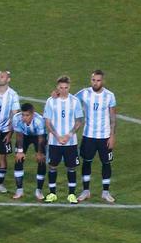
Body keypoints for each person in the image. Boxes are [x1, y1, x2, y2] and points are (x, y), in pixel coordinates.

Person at [76, 70, 117, 203]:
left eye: (98, 80)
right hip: (88, 135)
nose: (95, 82)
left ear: (102, 81)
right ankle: (86, 191)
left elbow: (113, 117)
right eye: (93, 80)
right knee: (86, 162)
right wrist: (57, 93)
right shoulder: (84, 93)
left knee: (106, 163)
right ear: (91, 80)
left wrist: (112, 136)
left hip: (104, 136)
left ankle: (105, 192)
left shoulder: (109, 96)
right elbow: (69, 99)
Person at [43, 76, 84, 204]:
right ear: (57, 87)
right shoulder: (51, 101)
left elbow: (79, 121)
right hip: (54, 141)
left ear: (69, 87)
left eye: (66, 88)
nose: (64, 90)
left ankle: (71, 194)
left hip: (70, 142)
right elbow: (47, 122)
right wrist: (57, 136)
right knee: (52, 166)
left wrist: (69, 135)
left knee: (71, 168)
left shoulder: (75, 101)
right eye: (61, 88)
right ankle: (52, 193)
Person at [10, 103, 47, 200]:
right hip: (24, 136)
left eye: (27, 115)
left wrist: (39, 152)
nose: (24, 117)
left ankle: (39, 190)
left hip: (37, 137)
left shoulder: (39, 121)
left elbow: (41, 138)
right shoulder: (16, 118)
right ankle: (19, 190)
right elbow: (19, 135)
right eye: (23, 114)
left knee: (41, 160)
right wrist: (20, 151)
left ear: (33, 114)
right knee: (18, 159)